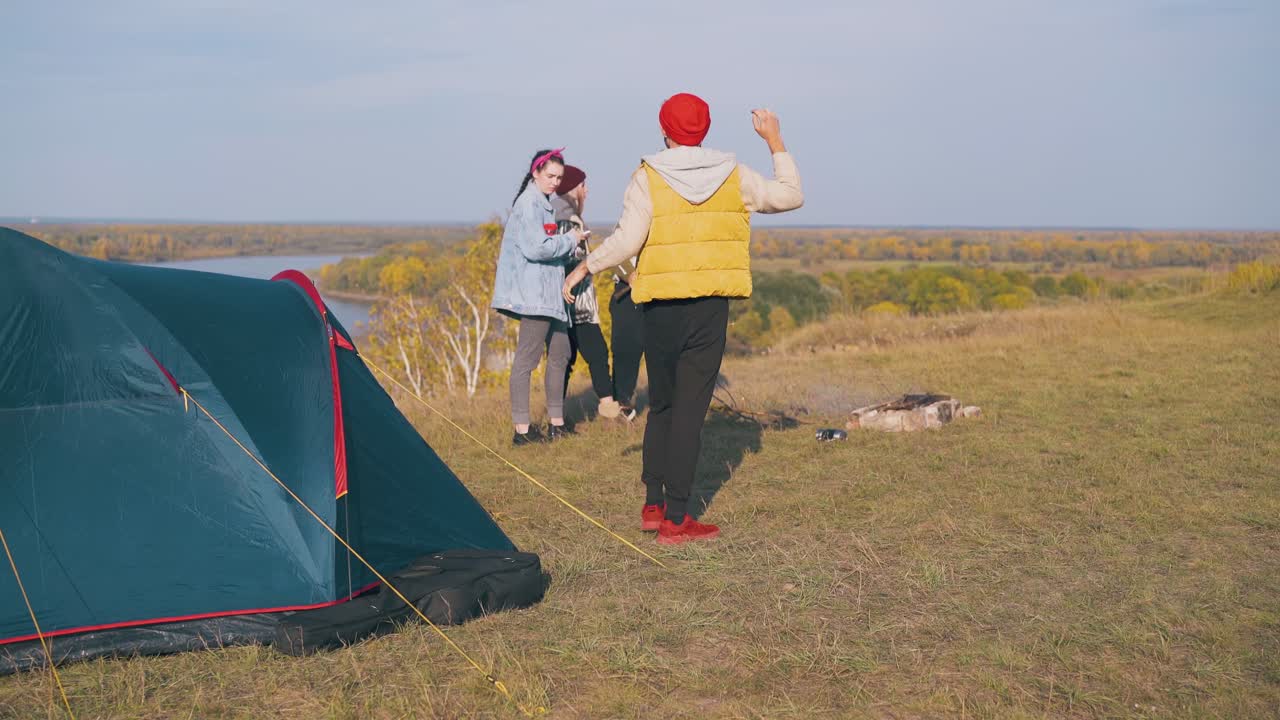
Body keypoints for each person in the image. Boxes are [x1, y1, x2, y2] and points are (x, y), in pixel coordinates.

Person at [563, 93, 803, 544]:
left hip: (658, 306)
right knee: (691, 411)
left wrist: (585, 266)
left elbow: (628, 240)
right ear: (706, 129)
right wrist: (774, 139)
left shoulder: (647, 176)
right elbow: (791, 196)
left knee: (665, 404)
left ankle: (654, 505)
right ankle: (677, 519)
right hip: (708, 307)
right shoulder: (735, 175)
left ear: (665, 130)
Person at [492, 148, 586, 446]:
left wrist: (571, 246)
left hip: (551, 295)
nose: (555, 182)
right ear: (536, 173)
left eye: (559, 178)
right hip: (535, 295)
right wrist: (570, 239)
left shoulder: (543, 203)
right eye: (550, 176)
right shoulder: (529, 204)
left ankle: (556, 423)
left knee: (561, 354)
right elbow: (536, 248)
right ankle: (522, 431)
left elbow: (546, 246)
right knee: (527, 359)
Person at [552, 166, 623, 420]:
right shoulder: (568, 222)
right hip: (576, 306)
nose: (587, 191)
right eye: (583, 186)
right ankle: (608, 410)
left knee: (565, 361)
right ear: (573, 189)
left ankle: (557, 418)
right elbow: (564, 258)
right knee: (594, 355)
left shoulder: (559, 216)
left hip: (565, 306)